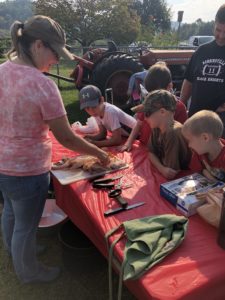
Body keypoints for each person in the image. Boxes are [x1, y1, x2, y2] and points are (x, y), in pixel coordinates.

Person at [0, 15, 109, 284]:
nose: (57, 60)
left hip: (3, 162)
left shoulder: (2, 71)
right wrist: (100, 154)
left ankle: (16, 249)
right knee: (26, 224)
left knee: (11, 213)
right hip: (28, 169)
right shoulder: (43, 85)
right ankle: (29, 271)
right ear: (38, 45)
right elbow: (68, 138)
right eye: (55, 52)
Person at [120, 61, 188, 152]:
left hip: (163, 151)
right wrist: (128, 142)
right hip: (144, 146)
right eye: (151, 93)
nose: (154, 98)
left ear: (169, 86)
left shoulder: (179, 107)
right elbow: (139, 124)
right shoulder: (148, 102)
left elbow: (182, 134)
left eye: (158, 94)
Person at [180, 4, 225, 120]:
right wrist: (181, 105)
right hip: (195, 119)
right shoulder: (201, 51)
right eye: (218, 30)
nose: (221, 36)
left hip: (219, 124)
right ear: (214, 25)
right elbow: (189, 81)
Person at [142, 90, 191, 179]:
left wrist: (162, 168)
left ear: (162, 112)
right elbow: (150, 153)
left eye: (147, 113)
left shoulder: (172, 132)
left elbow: (171, 172)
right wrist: (161, 168)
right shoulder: (156, 127)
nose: (144, 118)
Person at [182, 110, 225, 181]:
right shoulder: (200, 152)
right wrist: (205, 173)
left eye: (189, 141)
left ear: (205, 138)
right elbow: (196, 172)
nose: (189, 145)